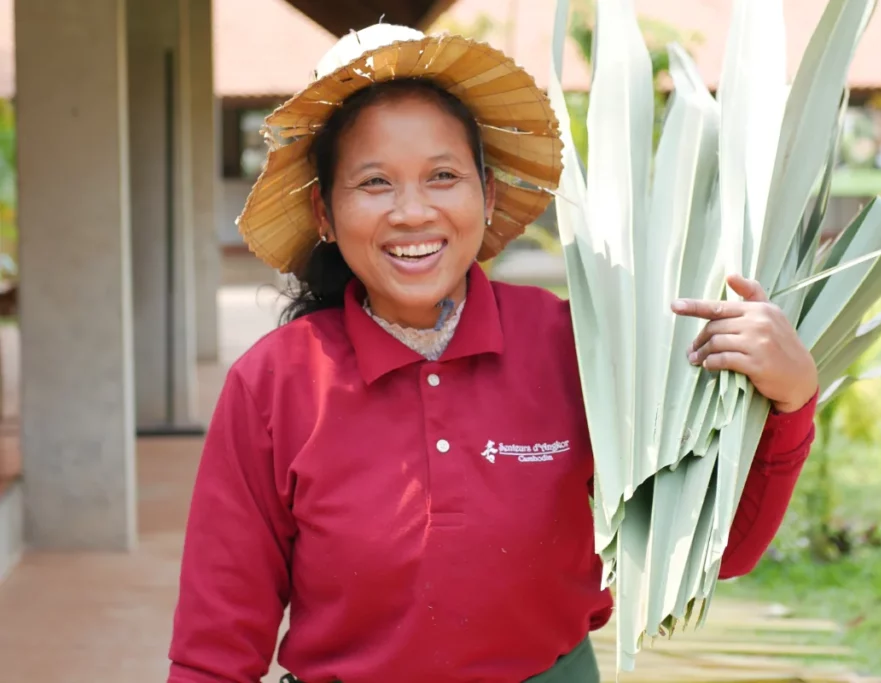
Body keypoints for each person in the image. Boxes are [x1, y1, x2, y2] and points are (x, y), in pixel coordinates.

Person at [167, 23, 819, 683]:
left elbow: (714, 551)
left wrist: (790, 398)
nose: (412, 211)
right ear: (326, 213)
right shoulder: (275, 383)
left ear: (489, 196)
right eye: (374, 183)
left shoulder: (578, 348)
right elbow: (214, 646)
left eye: (443, 175)